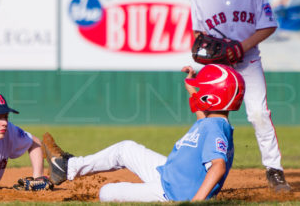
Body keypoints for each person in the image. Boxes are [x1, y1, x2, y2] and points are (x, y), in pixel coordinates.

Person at [43, 64, 245, 202]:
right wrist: (193, 91)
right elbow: (202, 120)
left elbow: (217, 167)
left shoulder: (216, 128)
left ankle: (70, 168)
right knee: (125, 148)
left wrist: (195, 202)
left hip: (170, 192)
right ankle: (67, 167)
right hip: (168, 173)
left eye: (202, 90)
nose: (197, 91)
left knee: (106, 193)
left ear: (212, 98)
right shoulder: (212, 123)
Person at [190, 0, 290, 191]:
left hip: (249, 61)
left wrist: (241, 47)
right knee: (211, 119)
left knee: (258, 113)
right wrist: (209, 53)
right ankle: (204, 172)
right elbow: (198, 34)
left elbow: (268, 25)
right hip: (218, 67)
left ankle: (274, 170)